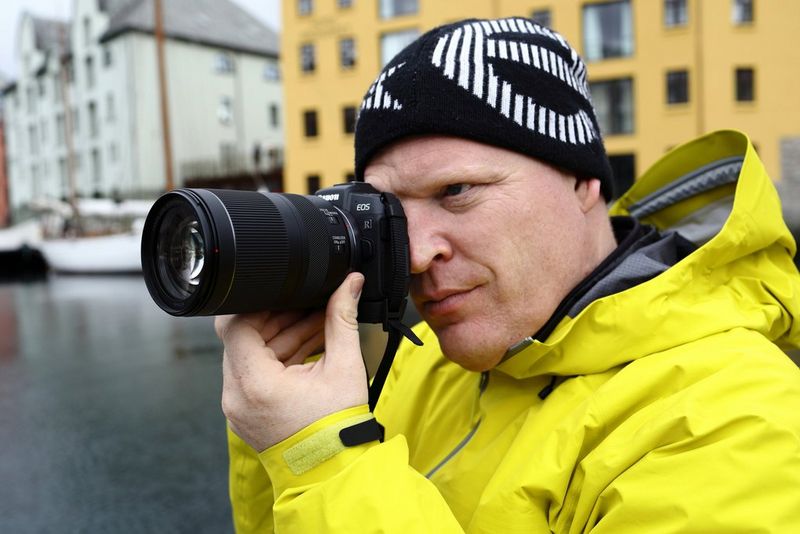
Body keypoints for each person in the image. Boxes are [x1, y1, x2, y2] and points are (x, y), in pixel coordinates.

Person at [216, 17, 800, 532]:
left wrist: (327, 462)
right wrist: (277, 424)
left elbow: (327, 482)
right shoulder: (409, 368)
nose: (416, 255)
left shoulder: (739, 419)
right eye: (392, 211)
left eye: (457, 191)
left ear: (581, 181)